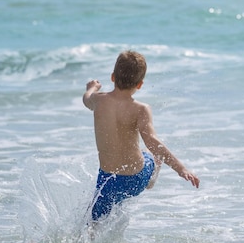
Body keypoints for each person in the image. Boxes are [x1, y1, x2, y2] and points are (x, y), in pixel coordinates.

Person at [83, 50, 200, 221]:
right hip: (136, 178)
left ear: (112, 77)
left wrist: (91, 88)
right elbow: (152, 141)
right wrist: (181, 169)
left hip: (107, 181)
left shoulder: (98, 100)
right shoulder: (141, 109)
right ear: (139, 85)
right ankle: (154, 171)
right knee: (151, 152)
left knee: (92, 226)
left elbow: (86, 99)